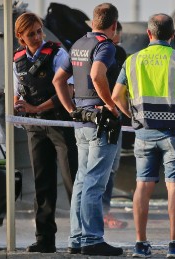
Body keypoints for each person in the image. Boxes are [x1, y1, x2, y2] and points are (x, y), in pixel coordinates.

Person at [112, 13, 175, 258]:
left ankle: (141, 244)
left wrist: (133, 116)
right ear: (172, 35)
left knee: (142, 185)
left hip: (144, 133)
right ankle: (174, 245)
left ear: (148, 34)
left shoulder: (132, 61)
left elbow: (115, 95)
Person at [52, 3, 123, 256]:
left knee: (82, 180)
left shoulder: (79, 44)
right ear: (114, 25)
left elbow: (58, 80)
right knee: (94, 181)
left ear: (93, 22)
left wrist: (71, 108)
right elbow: (97, 74)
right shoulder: (106, 45)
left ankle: (77, 238)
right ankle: (93, 239)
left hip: (81, 121)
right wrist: (111, 106)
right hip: (101, 122)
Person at [13, 12, 78, 253]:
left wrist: (36, 107)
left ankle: (80, 236)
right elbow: (17, 89)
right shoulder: (17, 59)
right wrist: (18, 104)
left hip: (60, 124)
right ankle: (44, 239)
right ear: (21, 37)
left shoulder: (58, 53)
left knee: (72, 181)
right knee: (42, 184)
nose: (38, 36)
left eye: (39, 30)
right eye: (32, 34)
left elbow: (68, 89)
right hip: (35, 127)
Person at [102, 21, 128, 229]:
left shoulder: (88, 46)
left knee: (107, 167)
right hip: (110, 115)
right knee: (108, 166)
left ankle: (102, 212)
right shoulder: (116, 52)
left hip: (96, 114)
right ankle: (102, 213)